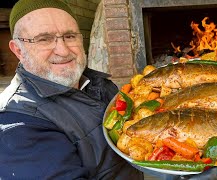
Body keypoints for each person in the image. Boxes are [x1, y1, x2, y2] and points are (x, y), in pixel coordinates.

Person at [0, 0, 143, 179]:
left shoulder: (98, 83)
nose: (63, 50)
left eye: (69, 36)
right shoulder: (17, 126)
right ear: (18, 50)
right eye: (44, 39)